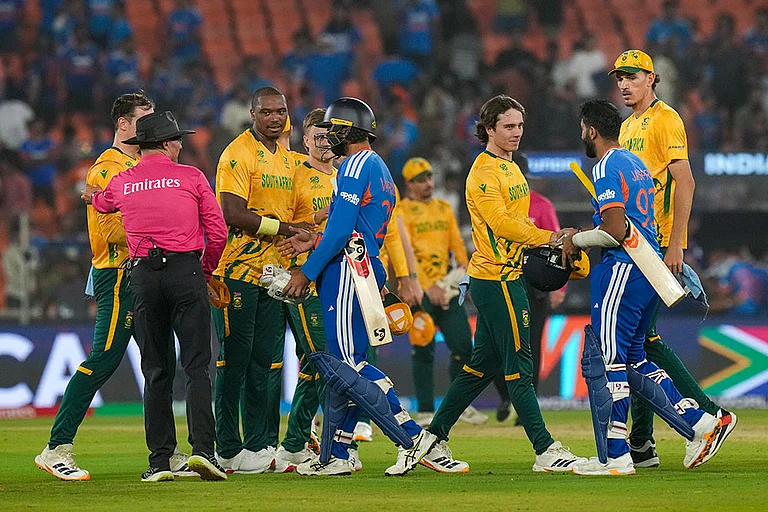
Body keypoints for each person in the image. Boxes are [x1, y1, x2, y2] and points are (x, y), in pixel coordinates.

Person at [561, 99, 730, 475]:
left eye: (582, 129)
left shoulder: (605, 166)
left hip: (621, 269)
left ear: (590, 129)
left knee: (609, 361)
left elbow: (615, 229)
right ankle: (699, 424)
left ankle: (617, 456)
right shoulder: (636, 164)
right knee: (636, 359)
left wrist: (577, 238)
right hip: (648, 270)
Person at [418, 95, 584, 474]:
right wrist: (550, 238)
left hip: (507, 275)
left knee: (480, 367)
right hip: (497, 278)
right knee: (520, 367)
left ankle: (432, 438)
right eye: (508, 126)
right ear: (489, 128)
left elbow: (514, 224)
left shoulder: (510, 168)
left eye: (520, 126)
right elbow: (502, 224)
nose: (516, 133)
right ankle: (545, 450)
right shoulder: (483, 170)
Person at [280, 97, 438, 476]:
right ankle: (337, 454)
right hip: (364, 269)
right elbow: (356, 228)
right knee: (342, 367)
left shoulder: (352, 166)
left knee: (347, 366)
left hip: (347, 272)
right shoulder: (379, 167)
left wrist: (306, 270)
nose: (328, 137)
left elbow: (342, 231)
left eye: (334, 129)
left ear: (348, 132)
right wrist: (314, 240)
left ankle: (415, 437)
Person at [81, 110, 228, 482]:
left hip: (143, 276)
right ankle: (204, 453)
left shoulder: (123, 180)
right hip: (185, 272)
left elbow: (101, 204)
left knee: (155, 369)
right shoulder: (191, 177)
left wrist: (90, 195)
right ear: (165, 143)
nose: (181, 144)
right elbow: (218, 231)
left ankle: (160, 461)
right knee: (196, 366)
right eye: (177, 139)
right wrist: (205, 271)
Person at [610, 50, 737, 467]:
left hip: (656, 243)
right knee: (639, 341)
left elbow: (685, 180)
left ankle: (711, 416)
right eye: (619, 78)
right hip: (637, 243)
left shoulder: (666, 119)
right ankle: (643, 443)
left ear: (651, 78)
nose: (624, 84)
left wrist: (676, 243)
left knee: (639, 343)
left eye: (631, 76)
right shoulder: (626, 126)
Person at [35, 92, 169, 482]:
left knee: (158, 360)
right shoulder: (107, 168)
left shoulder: (138, 165)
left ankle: (166, 453)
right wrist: (164, 235)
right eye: (144, 119)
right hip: (118, 273)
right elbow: (109, 230)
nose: (152, 127)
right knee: (105, 357)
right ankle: (56, 447)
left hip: (144, 270)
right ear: (123, 124)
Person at [211, 86, 311, 474]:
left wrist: (305, 230)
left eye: (281, 111)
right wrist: (285, 228)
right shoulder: (237, 154)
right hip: (237, 271)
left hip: (274, 275)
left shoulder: (289, 161)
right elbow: (232, 212)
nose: (275, 117)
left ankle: (255, 446)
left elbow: (302, 215)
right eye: (267, 111)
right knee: (233, 361)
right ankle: (226, 447)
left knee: (263, 363)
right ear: (253, 114)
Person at [271, 108, 338, 471]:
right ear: (305, 138)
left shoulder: (344, 176)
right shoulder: (295, 171)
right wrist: (314, 221)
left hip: (336, 277)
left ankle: (308, 437)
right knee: (321, 358)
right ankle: (291, 444)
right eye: (317, 135)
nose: (324, 141)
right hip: (299, 276)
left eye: (329, 135)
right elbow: (279, 216)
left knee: (317, 359)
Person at [399, 157, 487, 428]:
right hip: (419, 291)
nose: (429, 183)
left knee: (463, 346)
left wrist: (463, 271)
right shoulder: (401, 212)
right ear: (409, 184)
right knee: (423, 348)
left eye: (430, 177)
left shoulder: (443, 208)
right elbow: (405, 254)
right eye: (422, 179)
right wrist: (427, 287)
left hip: (447, 288)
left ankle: (460, 404)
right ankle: (425, 410)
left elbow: (456, 245)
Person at [495, 155, 566, 423]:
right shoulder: (497, 205)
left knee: (532, 346)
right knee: (498, 346)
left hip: (535, 286)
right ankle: (505, 395)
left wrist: (559, 287)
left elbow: (559, 247)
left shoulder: (541, 206)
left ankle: (527, 409)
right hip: (503, 281)